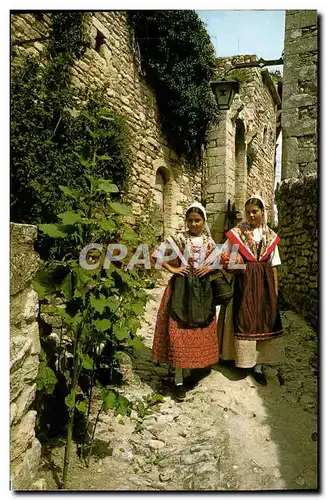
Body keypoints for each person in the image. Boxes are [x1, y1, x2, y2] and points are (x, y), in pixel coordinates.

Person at [151, 201, 219, 401]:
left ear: (204, 220)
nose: (194, 224)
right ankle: (178, 379)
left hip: (202, 292)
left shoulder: (208, 241)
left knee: (198, 331)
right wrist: (173, 269)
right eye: (190, 220)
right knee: (178, 331)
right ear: (186, 221)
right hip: (181, 290)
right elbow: (156, 254)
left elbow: (219, 261)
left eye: (197, 220)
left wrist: (209, 268)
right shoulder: (179, 238)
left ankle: (193, 371)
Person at [218, 195, 284, 386]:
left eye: (254, 211)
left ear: (263, 212)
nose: (251, 215)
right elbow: (224, 256)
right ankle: (241, 361)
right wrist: (235, 263)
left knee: (263, 321)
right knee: (243, 318)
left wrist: (275, 289)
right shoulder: (237, 233)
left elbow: (274, 265)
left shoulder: (270, 236)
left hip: (264, 284)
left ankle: (258, 367)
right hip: (243, 283)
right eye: (248, 212)